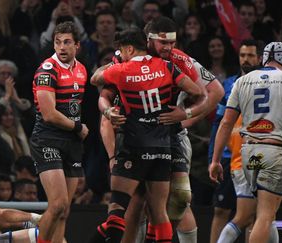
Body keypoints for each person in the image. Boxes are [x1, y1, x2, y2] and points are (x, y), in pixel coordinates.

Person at [90, 27, 206, 243]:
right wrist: (184, 113)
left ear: (129, 49)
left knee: (117, 209)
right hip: (162, 148)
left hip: (133, 146)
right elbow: (198, 92)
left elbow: (95, 79)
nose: (120, 54)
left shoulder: (121, 70)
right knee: (159, 213)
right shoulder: (167, 66)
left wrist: (114, 64)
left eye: (121, 51)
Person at [209, 41, 282, 243]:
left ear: (263, 58)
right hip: (274, 152)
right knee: (264, 215)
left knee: (267, 214)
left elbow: (225, 123)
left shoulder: (242, 81)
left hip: (249, 154)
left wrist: (214, 160)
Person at [130, 16, 224, 243]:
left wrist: (186, 116)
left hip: (172, 137)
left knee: (180, 198)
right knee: (140, 201)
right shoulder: (132, 56)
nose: (169, 48)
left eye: (172, 42)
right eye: (163, 43)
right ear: (149, 39)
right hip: (137, 136)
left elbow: (216, 92)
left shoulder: (180, 59)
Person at [208, 39, 273, 243]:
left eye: (251, 55)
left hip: (257, 155)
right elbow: (220, 123)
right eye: (243, 55)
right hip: (230, 156)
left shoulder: (271, 83)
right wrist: (214, 157)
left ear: (260, 57)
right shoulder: (228, 85)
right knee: (223, 210)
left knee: (255, 216)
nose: (246, 59)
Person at [30, 21, 89, 243]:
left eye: (67, 42)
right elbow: (49, 113)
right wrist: (78, 127)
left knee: (65, 210)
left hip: (72, 143)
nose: (62, 48)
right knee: (57, 205)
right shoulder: (47, 70)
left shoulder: (82, 69)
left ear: (77, 46)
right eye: (58, 42)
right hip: (47, 139)